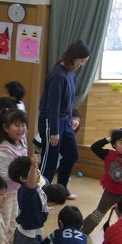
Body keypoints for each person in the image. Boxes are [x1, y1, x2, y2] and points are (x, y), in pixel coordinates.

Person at [38, 39, 91, 199]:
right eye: (81, 61)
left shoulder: (71, 74)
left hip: (65, 121)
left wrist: (67, 122)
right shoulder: (57, 75)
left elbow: (68, 102)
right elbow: (53, 105)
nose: (82, 64)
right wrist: (54, 131)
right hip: (51, 121)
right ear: (74, 57)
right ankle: (42, 194)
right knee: (50, 160)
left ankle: (61, 189)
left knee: (72, 154)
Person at [81, 128, 122, 235]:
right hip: (109, 193)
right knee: (98, 214)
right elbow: (94, 147)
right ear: (114, 144)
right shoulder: (108, 154)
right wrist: (108, 139)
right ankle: (82, 232)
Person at [0, 108, 29, 244]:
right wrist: (22, 177)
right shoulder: (4, 151)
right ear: (6, 128)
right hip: (5, 193)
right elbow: (2, 175)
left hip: (17, 191)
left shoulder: (22, 142)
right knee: (4, 222)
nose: (21, 129)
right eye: (16, 125)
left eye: (23, 125)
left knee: (14, 221)